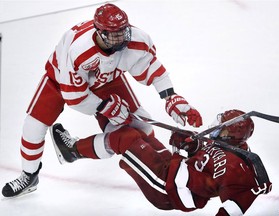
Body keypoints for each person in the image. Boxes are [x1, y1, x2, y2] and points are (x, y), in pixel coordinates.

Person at [1, 3, 202, 198]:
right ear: (100, 32)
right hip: (60, 79)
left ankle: (72, 150)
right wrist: (105, 106)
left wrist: (170, 96)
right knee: (33, 126)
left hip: (109, 80)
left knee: (141, 129)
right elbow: (73, 96)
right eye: (115, 34)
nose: (122, 37)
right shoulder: (79, 50)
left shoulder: (135, 40)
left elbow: (151, 67)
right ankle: (29, 176)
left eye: (124, 30)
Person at [50, 109, 271, 215]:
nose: (214, 126)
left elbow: (233, 208)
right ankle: (101, 114)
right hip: (172, 169)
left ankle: (71, 151)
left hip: (167, 188)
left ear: (229, 134)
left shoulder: (240, 169)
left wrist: (183, 152)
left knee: (124, 138)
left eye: (220, 125)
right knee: (138, 132)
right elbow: (203, 159)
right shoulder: (224, 144)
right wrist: (188, 145)